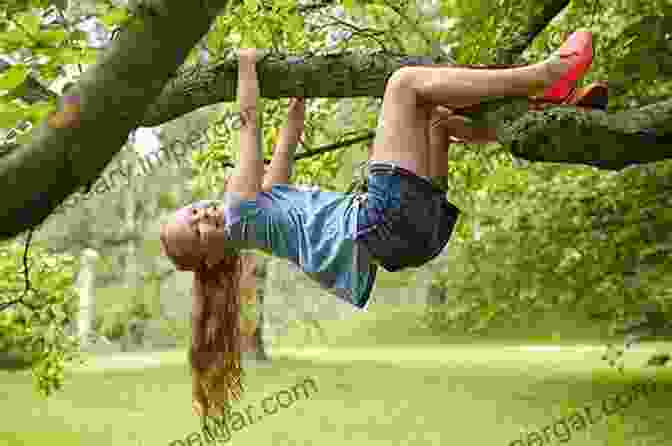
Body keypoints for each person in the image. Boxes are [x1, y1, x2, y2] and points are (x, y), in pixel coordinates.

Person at [160, 31, 593, 416]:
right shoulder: (239, 210)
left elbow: (284, 151)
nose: (202, 216)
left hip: (414, 239)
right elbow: (248, 125)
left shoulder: (264, 210)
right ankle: (546, 75)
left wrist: (298, 96)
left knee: (439, 121)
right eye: (197, 232)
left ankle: (546, 118)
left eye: (192, 211)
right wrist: (247, 67)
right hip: (382, 222)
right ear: (213, 256)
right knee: (404, 85)